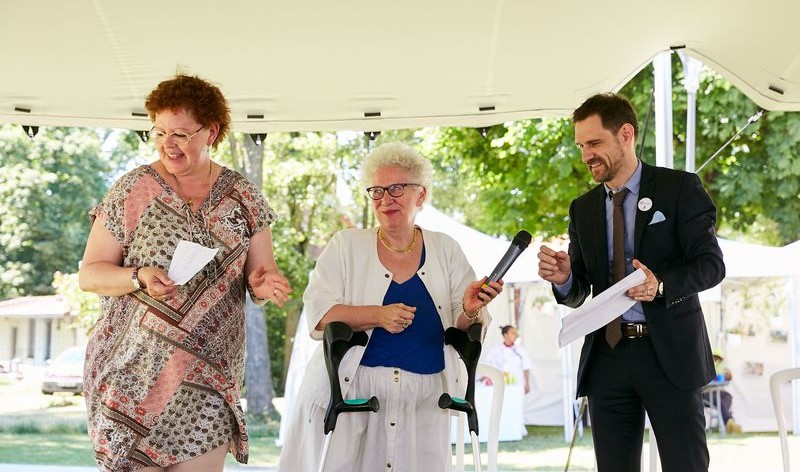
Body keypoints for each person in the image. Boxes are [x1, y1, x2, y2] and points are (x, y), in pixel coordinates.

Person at [78, 74, 292, 472]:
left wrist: (263, 285)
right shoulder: (133, 189)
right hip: (131, 378)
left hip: (207, 381)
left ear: (211, 132)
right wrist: (138, 275)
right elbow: (90, 274)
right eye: (159, 132)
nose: (167, 143)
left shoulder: (243, 196)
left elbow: (261, 277)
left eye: (180, 133)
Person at [277, 142, 504, 472]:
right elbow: (320, 313)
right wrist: (377, 316)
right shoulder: (346, 245)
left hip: (424, 400)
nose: (386, 199)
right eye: (377, 191)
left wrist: (469, 309)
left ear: (421, 195)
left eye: (397, 188)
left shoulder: (445, 249)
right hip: (352, 393)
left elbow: (464, 326)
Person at [537, 93, 725, 472]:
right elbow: (580, 291)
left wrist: (661, 285)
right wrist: (564, 278)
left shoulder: (680, 189)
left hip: (669, 353)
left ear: (626, 134)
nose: (586, 154)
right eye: (580, 145)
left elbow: (710, 265)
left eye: (594, 143)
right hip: (607, 357)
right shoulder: (583, 208)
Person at [483, 325, 533, 394]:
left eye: (515, 333)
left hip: (517, 385)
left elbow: (526, 367)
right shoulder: (495, 350)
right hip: (499, 386)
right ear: (505, 335)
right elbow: (487, 366)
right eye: (513, 333)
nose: (515, 335)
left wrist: (527, 383)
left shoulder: (521, 350)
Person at [710, 349, 741, 433]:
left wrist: (727, 374)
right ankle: (730, 421)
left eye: (718, 358)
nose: (716, 360)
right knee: (721, 401)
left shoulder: (721, 367)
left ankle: (729, 422)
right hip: (707, 393)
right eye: (714, 358)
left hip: (720, 391)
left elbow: (729, 376)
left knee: (728, 396)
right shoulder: (706, 367)